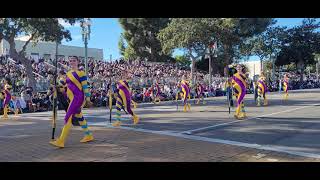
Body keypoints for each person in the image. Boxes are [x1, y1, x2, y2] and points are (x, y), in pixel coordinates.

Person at [50, 56, 94, 148]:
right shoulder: (68, 73)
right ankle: (88, 135)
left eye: (74, 60)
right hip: (71, 98)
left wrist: (88, 99)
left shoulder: (81, 73)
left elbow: (85, 87)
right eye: (70, 61)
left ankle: (61, 141)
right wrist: (56, 87)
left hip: (78, 98)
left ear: (78, 62)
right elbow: (64, 87)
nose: (72, 62)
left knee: (68, 117)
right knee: (79, 116)